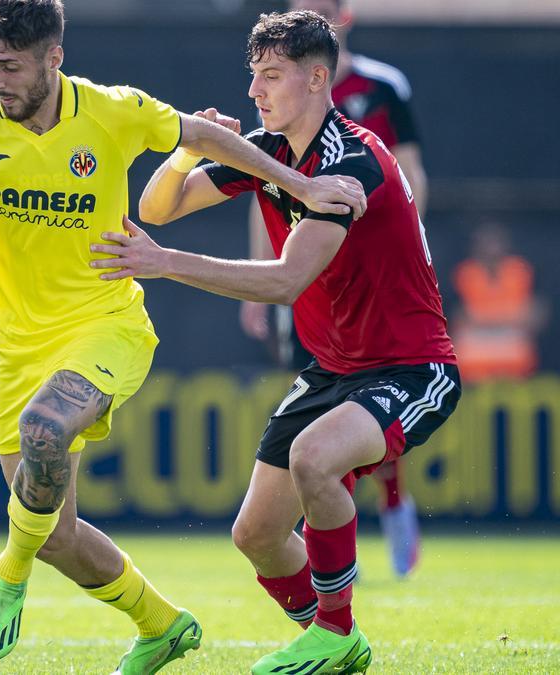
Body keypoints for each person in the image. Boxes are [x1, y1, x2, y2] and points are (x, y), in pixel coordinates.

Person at [0, 1, 364, 672]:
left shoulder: (113, 110)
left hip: (107, 325)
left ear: (54, 58)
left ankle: (7, 574)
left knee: (46, 429)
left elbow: (205, 136)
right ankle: (161, 624)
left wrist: (297, 182)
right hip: (19, 347)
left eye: (12, 66)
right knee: (56, 534)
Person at [91, 11, 459, 673]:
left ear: (317, 79)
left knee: (316, 458)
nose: (256, 91)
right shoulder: (273, 154)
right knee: (256, 534)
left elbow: (287, 279)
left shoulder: (350, 165)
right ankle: (334, 642)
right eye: (253, 75)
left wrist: (164, 262)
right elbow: (157, 207)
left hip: (410, 367)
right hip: (332, 369)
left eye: (271, 76)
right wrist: (186, 150)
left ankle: (337, 632)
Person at [239, 0, 431, 579]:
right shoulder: (276, 115)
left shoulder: (378, 90)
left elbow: (409, 171)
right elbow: (263, 191)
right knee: (328, 404)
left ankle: (391, 508)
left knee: (362, 401)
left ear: (344, 17)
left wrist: (407, 246)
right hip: (313, 282)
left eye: (326, 6)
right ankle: (332, 544)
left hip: (365, 273)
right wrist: (257, 278)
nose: (259, 88)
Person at [451, 221, 547, 382]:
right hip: (473, 362)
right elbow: (457, 317)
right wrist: (510, 316)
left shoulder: (520, 271)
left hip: (516, 361)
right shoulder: (464, 274)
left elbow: (535, 314)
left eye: (495, 243)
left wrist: (481, 317)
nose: (491, 249)